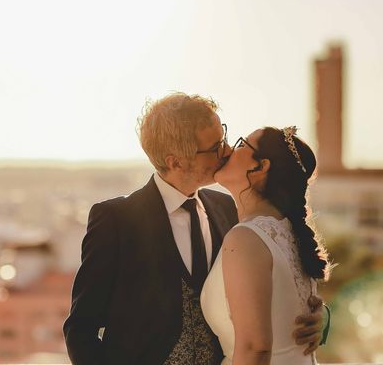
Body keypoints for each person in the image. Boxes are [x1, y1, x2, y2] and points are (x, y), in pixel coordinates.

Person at [63, 93, 328, 364]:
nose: (226, 151)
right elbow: (80, 328)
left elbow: (273, 281)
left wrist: (319, 318)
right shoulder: (116, 220)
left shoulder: (231, 210)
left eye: (223, 137)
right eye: (215, 147)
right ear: (175, 161)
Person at [202, 126, 330, 364]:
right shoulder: (290, 233)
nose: (229, 150)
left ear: (260, 167)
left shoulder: (247, 238)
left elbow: (255, 348)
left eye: (242, 144)